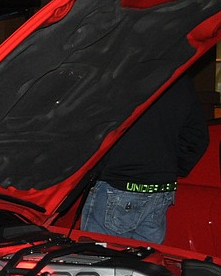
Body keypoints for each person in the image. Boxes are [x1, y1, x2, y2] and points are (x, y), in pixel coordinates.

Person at [80, 75, 209, 244]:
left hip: (118, 185)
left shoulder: (121, 73)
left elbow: (89, 127)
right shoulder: (180, 77)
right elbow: (197, 136)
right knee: (142, 265)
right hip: (160, 189)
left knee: (101, 263)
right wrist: (168, 168)